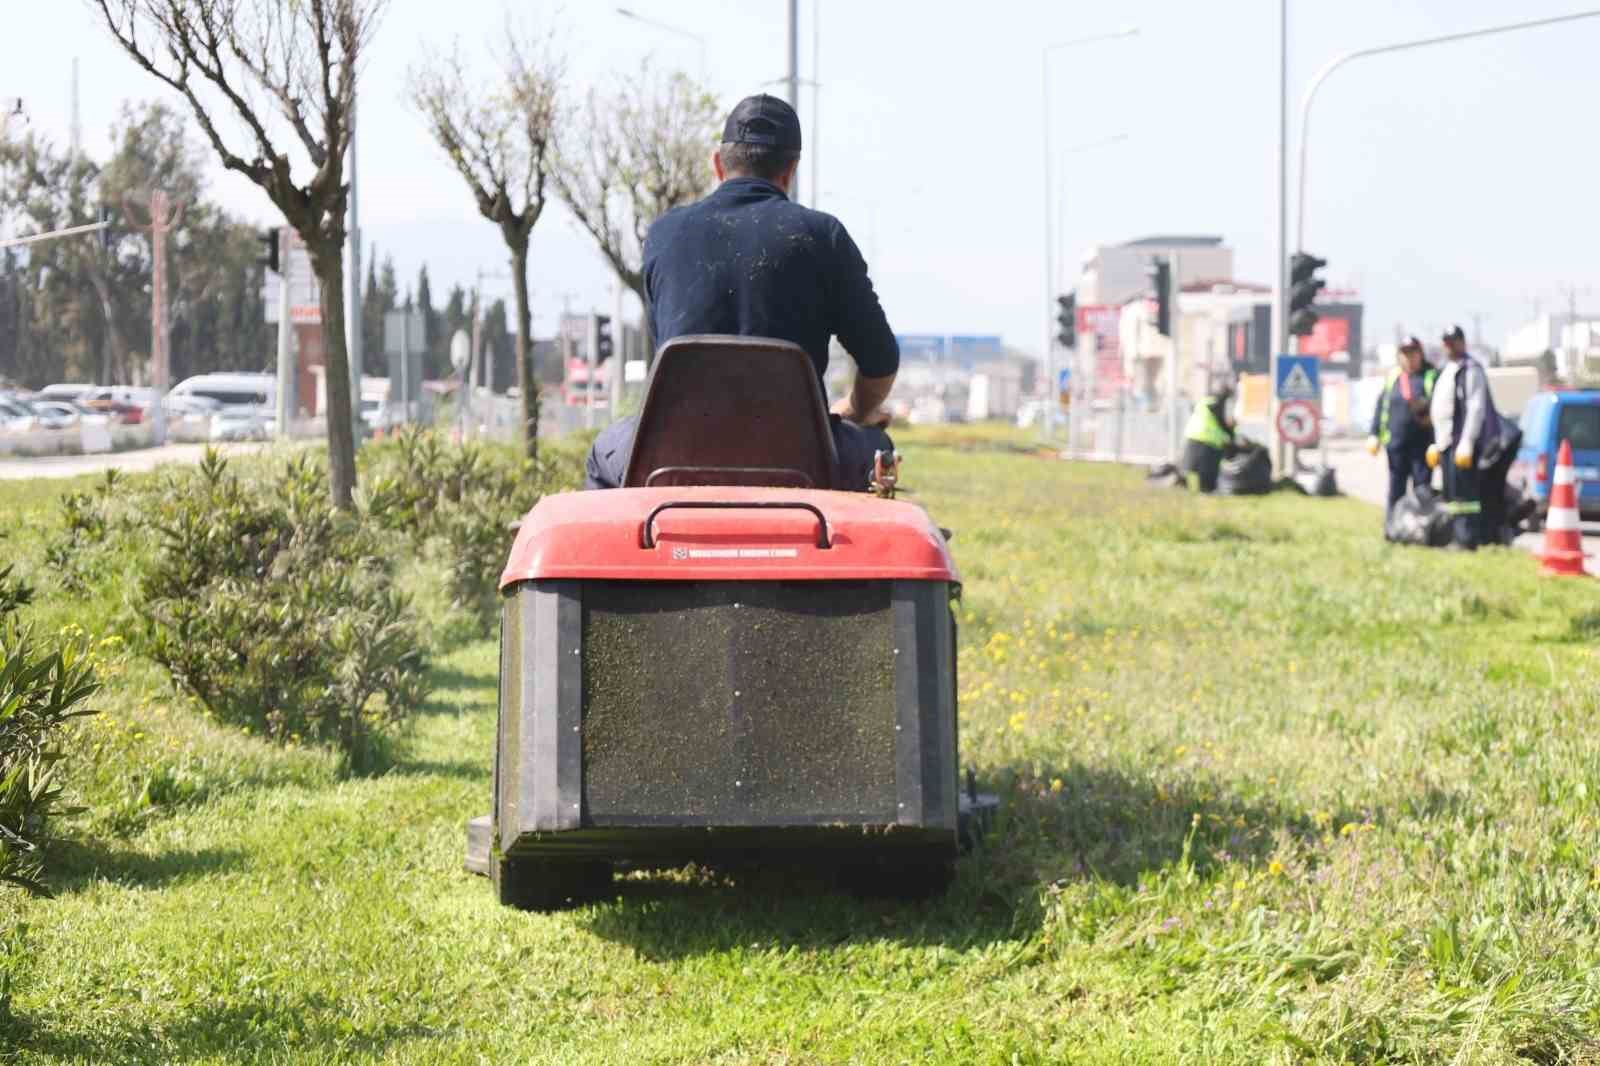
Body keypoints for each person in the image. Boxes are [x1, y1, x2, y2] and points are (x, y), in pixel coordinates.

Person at [584, 94, 897, 490]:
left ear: (718, 164)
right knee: (878, 448)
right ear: (791, 171)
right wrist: (855, 411)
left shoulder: (664, 234)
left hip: (673, 453)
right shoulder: (824, 236)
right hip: (802, 458)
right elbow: (881, 359)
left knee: (602, 453)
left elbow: (669, 344)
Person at [1427, 325, 1491, 549]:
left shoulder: (1470, 369)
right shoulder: (1447, 370)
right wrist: (1436, 442)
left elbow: (1475, 407)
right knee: (1451, 495)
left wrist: (1468, 441)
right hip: (1445, 442)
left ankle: (1466, 538)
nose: (1449, 346)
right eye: (1446, 342)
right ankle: (1452, 536)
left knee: (1465, 497)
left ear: (1462, 342)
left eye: (1453, 341)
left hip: (1461, 444)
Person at [1365, 337, 1436, 515]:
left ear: (1420, 354)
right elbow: (1382, 406)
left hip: (1422, 446)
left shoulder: (1430, 376)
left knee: (1422, 491)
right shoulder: (1393, 378)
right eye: (1405, 354)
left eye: (1413, 353)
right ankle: (1394, 527)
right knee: (1396, 490)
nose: (1409, 358)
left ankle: (1422, 528)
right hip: (1396, 445)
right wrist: (1374, 434)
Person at [1180, 382, 1238, 493]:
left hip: (1194, 436)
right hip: (1207, 440)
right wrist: (1231, 434)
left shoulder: (1205, 402)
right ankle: (1205, 489)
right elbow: (1223, 423)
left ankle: (1190, 487)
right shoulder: (1218, 403)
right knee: (1207, 471)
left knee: (1191, 468)